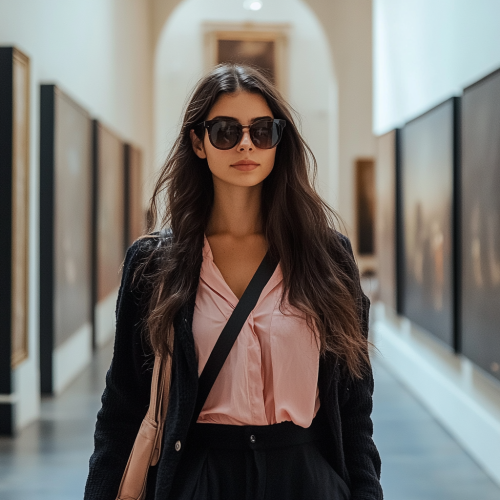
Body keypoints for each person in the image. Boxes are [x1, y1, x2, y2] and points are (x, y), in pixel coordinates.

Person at [84, 63, 383, 500]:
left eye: (262, 130)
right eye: (225, 130)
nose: (246, 143)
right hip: (202, 475)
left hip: (305, 477)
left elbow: (355, 408)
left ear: (279, 141)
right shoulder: (154, 263)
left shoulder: (327, 256)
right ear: (198, 142)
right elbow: (122, 407)